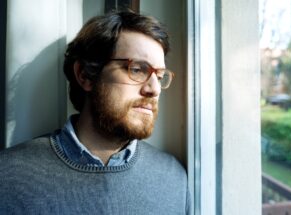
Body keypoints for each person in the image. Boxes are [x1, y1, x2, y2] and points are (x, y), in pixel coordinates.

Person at [0, 10, 189, 214]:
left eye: (159, 76)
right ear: (85, 76)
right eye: (137, 69)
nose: (154, 89)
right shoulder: (9, 174)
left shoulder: (173, 178)